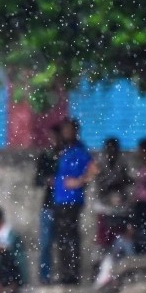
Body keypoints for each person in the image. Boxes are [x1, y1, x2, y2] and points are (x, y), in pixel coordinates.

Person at [51, 118, 98, 284]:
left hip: (72, 199)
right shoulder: (63, 150)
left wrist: (79, 181)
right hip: (59, 198)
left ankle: (72, 274)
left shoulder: (80, 150)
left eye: (68, 130)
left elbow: (94, 169)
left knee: (70, 236)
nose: (65, 133)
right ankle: (65, 273)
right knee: (62, 238)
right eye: (64, 130)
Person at [33, 130, 65, 284]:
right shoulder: (46, 157)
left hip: (65, 206)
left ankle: (62, 275)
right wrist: (48, 180)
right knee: (46, 244)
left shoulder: (68, 156)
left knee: (63, 243)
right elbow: (37, 180)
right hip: (49, 205)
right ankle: (45, 277)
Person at [93, 136, 131, 251]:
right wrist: (111, 184)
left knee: (119, 233)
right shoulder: (101, 164)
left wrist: (121, 182)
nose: (112, 151)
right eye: (109, 148)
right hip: (105, 204)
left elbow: (126, 179)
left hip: (120, 204)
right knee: (104, 236)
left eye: (114, 148)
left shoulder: (122, 163)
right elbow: (99, 182)